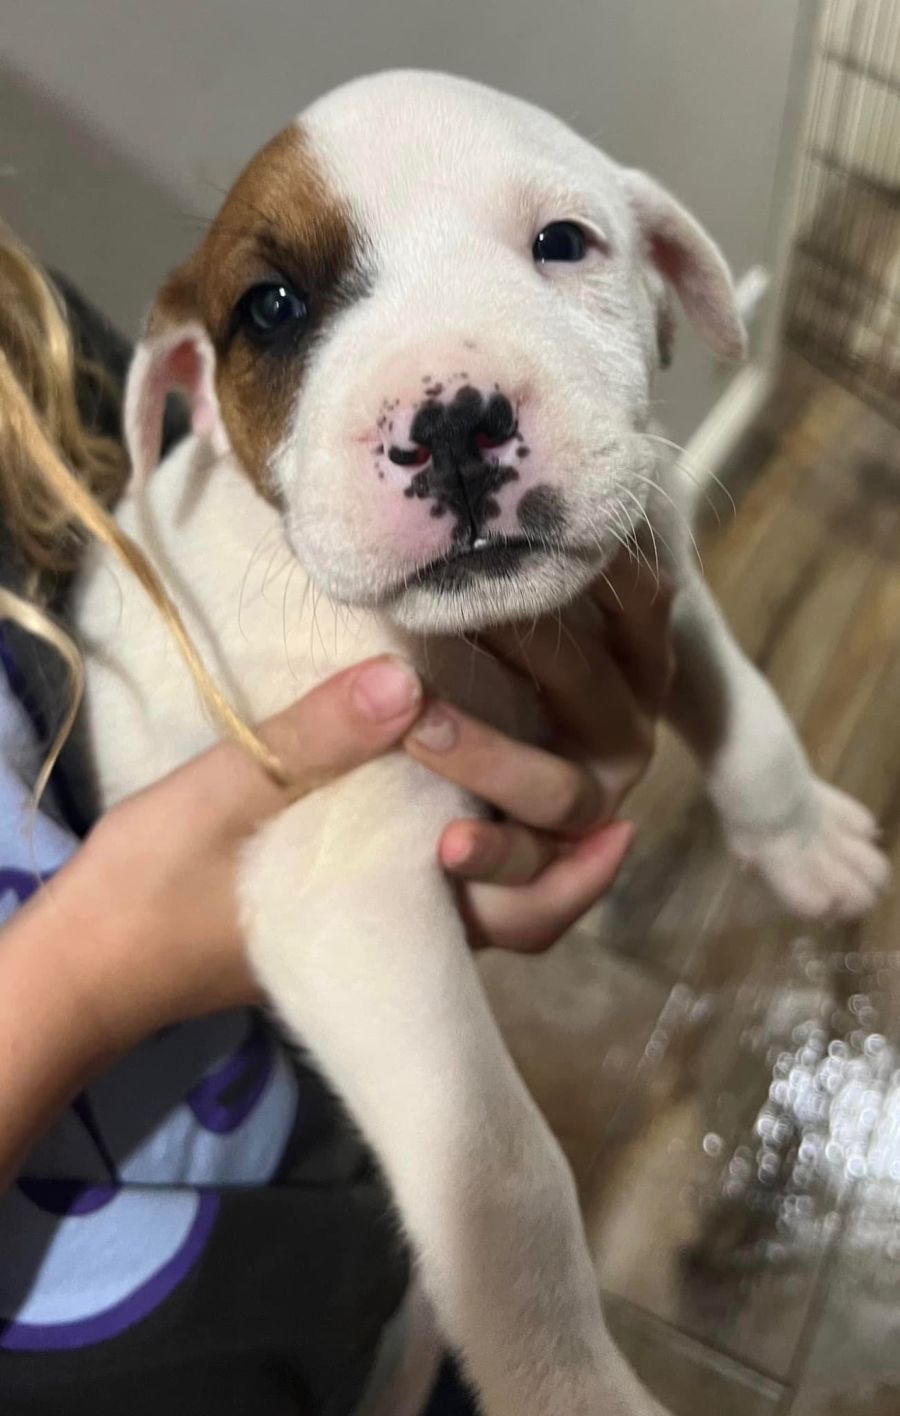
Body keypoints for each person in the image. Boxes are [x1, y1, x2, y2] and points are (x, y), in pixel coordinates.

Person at [0, 229, 673, 1414]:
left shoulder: (29, 342)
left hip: (349, 1217)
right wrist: (90, 977)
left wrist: (433, 816)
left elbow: (210, 665)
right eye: (277, 308)